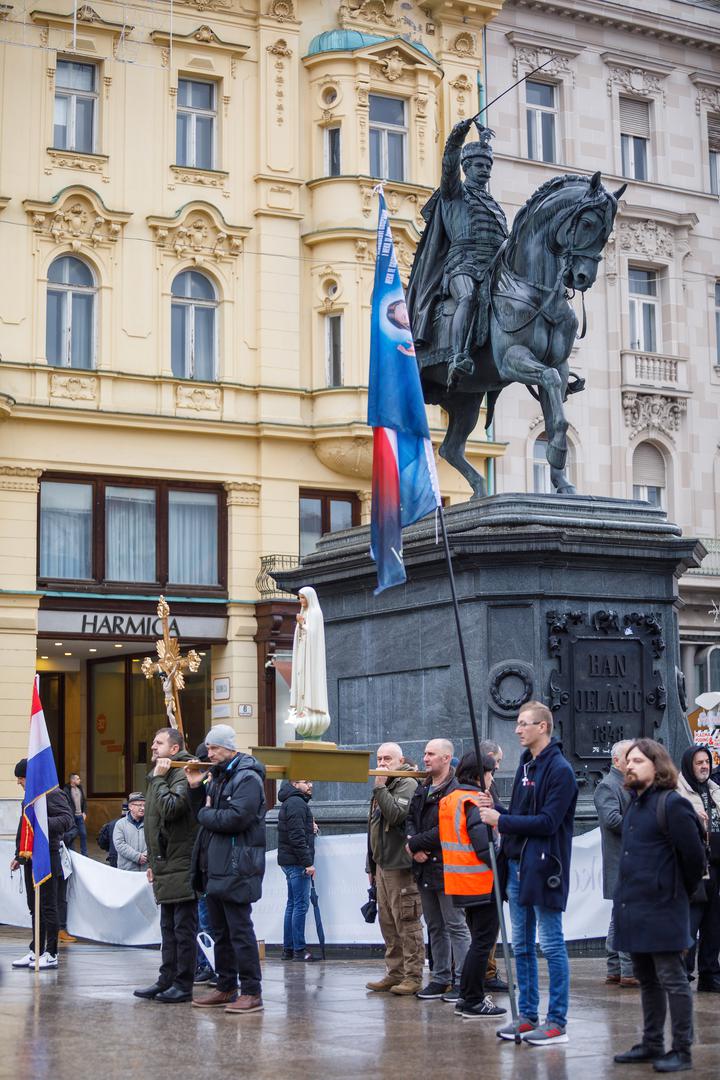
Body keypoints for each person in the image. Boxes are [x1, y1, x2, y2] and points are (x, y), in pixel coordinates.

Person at [479, 701, 578, 1045]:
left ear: (543, 727)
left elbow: (548, 822)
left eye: (524, 724)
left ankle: (556, 1022)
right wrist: (498, 809)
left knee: (551, 944)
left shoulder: (560, 770)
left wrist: (500, 820)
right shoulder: (526, 766)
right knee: (521, 946)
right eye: (518, 723)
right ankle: (527, 1016)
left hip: (545, 867)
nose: (518, 729)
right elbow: (523, 815)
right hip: (518, 866)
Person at [613, 739, 706, 1074]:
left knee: (673, 979)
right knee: (646, 978)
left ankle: (682, 1049)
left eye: (637, 760)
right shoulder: (636, 805)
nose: (629, 765)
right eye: (628, 761)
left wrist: (674, 891)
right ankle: (652, 1042)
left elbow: (694, 859)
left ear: (657, 765)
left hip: (664, 907)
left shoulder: (672, 804)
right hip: (634, 908)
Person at [406, 118, 508, 387]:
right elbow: (448, 163)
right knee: (468, 296)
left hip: (493, 268)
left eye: (488, 166)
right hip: (461, 265)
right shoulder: (455, 193)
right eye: (479, 165)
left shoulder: (495, 206)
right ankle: (457, 356)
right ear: (466, 168)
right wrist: (457, 136)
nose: (485, 170)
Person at [186, 724, 267, 1015]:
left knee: (240, 931)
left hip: (237, 866)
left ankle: (251, 991)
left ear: (229, 748)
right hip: (216, 866)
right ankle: (226, 986)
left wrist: (206, 812)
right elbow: (202, 815)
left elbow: (236, 818)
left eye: (214, 748)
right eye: (208, 748)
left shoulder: (246, 778)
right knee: (220, 931)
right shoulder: (219, 777)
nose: (209, 753)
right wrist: (196, 787)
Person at [439, 750, 507, 1020]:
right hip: (481, 880)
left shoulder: (451, 799)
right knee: (482, 942)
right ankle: (473, 999)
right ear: (481, 775)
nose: (492, 778)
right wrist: (500, 856)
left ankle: (467, 996)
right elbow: (483, 847)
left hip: (460, 881)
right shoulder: (473, 801)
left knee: (477, 941)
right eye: (490, 773)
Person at [134, 727, 198, 1004]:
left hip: (181, 863)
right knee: (168, 927)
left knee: (183, 929)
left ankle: (183, 984)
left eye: (158, 743)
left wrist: (158, 780)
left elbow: (172, 808)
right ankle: (166, 979)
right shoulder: (163, 773)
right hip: (165, 863)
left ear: (174, 749)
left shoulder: (183, 770)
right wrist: (153, 858)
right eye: (153, 742)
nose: (152, 747)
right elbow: (154, 823)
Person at [406, 738, 471, 1001]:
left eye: (431, 754)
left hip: (447, 866)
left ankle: (463, 982)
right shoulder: (422, 788)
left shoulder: (455, 790)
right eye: (424, 753)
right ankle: (440, 977)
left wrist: (417, 844)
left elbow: (448, 826)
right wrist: (412, 845)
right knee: (434, 926)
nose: (425, 758)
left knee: (455, 925)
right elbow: (410, 819)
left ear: (446, 758)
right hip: (424, 867)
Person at [365, 743, 424, 996]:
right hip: (382, 866)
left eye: (387, 758)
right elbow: (373, 828)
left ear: (400, 760)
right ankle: (395, 973)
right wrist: (370, 864)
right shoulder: (385, 785)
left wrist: (379, 786)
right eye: (379, 758)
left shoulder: (406, 783)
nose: (382, 763)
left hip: (401, 867)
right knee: (387, 922)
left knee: (407, 923)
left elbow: (397, 815)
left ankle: (413, 975)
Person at [11, 757, 74, 970]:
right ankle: (35, 950)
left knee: (48, 907)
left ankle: (52, 952)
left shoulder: (53, 793)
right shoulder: (28, 798)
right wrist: (18, 855)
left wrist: (42, 823)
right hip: (30, 858)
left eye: (21, 778)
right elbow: (24, 828)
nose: (19, 782)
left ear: (30, 777)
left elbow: (67, 820)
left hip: (48, 856)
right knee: (33, 907)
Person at [593, 739, 637, 987]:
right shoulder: (608, 786)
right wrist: (642, 823)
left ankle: (616, 968)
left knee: (619, 915)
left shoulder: (628, 784)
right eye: (628, 756)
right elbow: (612, 820)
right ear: (616, 760)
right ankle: (628, 971)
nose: (633, 761)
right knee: (625, 915)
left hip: (627, 861)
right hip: (621, 861)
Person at [676, 745, 720, 992]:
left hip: (716, 868)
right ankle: (682, 974)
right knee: (690, 925)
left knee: (714, 926)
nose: (704, 766)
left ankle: (710, 974)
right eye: (699, 762)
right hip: (694, 869)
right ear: (688, 766)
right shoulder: (678, 793)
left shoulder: (716, 791)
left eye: (707, 762)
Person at [478, 738, 508, 994]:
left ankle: (486, 971)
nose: (498, 768)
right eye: (496, 762)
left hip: (489, 859)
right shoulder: (483, 786)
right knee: (485, 925)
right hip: (485, 863)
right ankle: (485, 972)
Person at [277, 778, 317, 962]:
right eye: (305, 781)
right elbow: (297, 836)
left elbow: (296, 831)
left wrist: (311, 827)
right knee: (300, 905)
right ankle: (299, 950)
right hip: (297, 862)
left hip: (289, 860)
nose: (310, 785)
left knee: (292, 904)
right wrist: (308, 863)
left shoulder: (290, 802)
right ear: (294, 783)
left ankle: (289, 949)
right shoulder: (297, 803)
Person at [288, 586, 330, 736]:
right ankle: (302, 709)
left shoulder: (315, 613)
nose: (301, 601)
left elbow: (313, 634)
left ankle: (310, 708)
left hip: (311, 658)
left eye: (303, 597)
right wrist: (300, 626)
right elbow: (299, 636)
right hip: (303, 656)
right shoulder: (303, 613)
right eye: (299, 597)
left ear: (310, 598)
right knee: (301, 681)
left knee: (309, 681)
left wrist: (302, 624)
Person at [113, 792, 147, 872]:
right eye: (139, 805)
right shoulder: (120, 824)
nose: (143, 808)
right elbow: (120, 844)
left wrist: (146, 855)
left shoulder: (150, 823)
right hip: (127, 870)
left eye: (144, 805)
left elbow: (154, 842)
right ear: (130, 806)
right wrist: (137, 857)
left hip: (146, 870)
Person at [63, 772, 88, 856]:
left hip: (80, 816)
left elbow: (84, 801)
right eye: (77, 779)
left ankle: (84, 854)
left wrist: (84, 812)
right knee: (71, 835)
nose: (79, 780)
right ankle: (72, 853)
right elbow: (65, 803)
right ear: (72, 780)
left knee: (83, 834)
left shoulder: (80, 788)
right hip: (72, 816)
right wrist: (69, 815)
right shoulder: (66, 789)